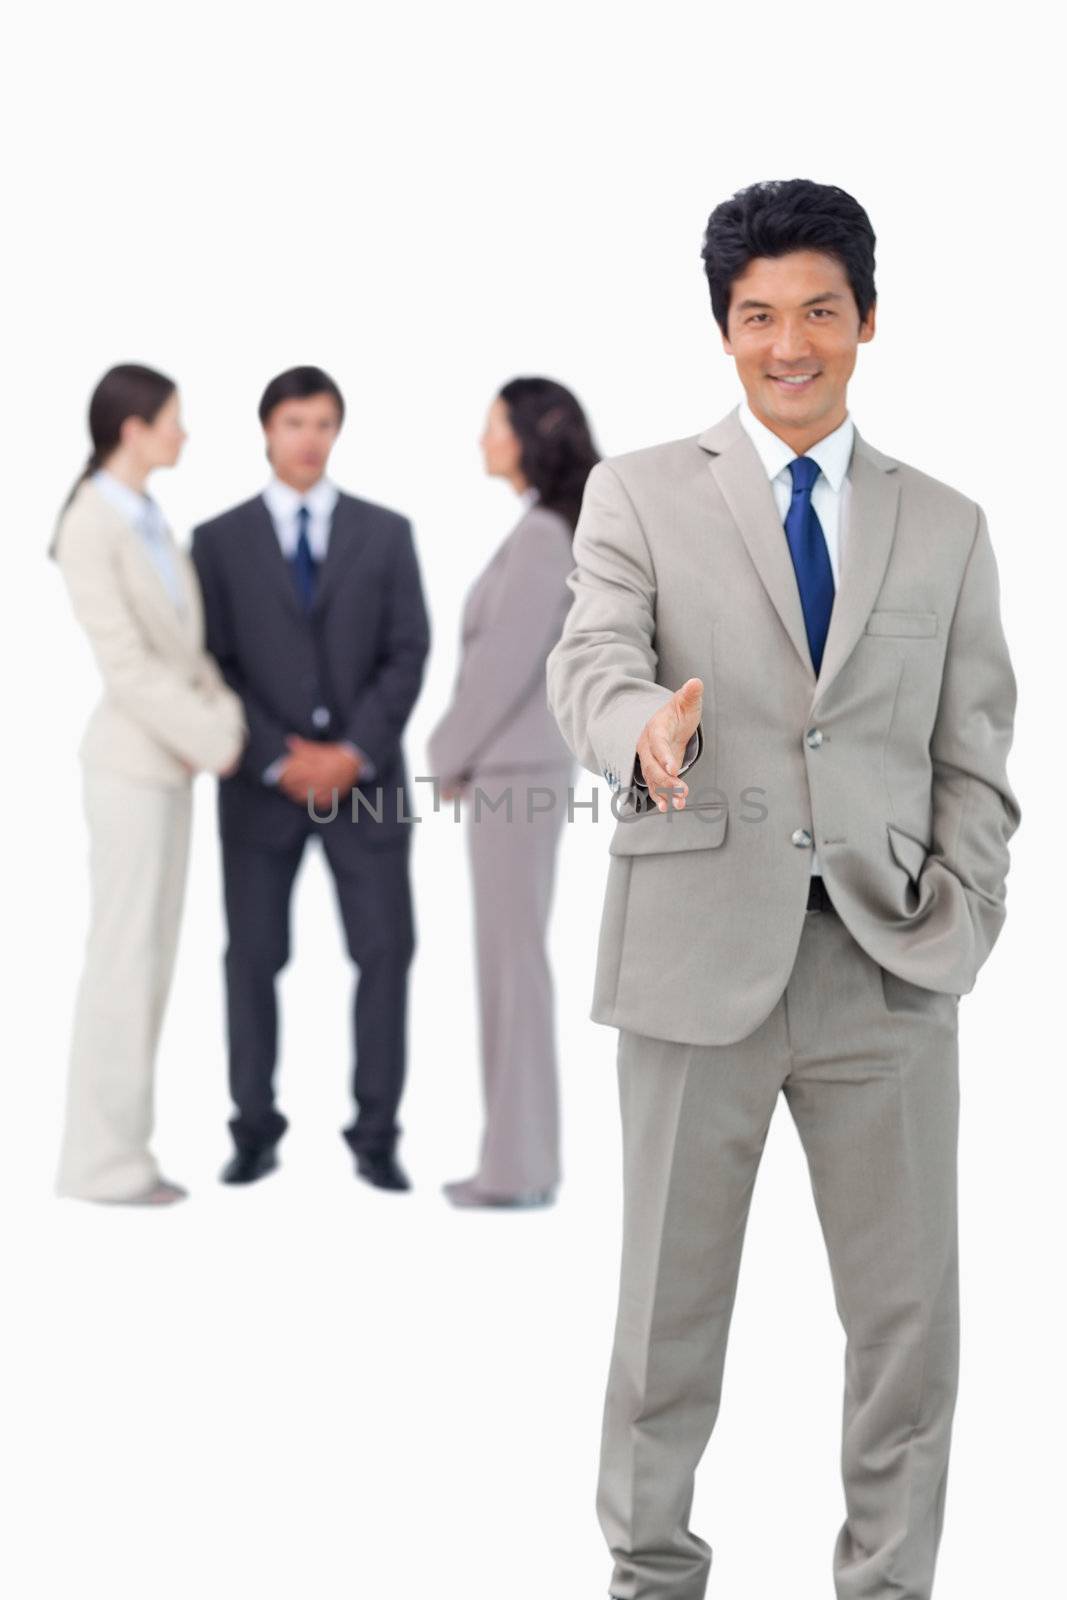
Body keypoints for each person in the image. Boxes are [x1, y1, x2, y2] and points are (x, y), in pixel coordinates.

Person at [547, 180, 1020, 1600]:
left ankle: (886, 1584)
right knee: (664, 1319)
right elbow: (587, 662)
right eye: (756, 317)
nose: (787, 342)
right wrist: (640, 727)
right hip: (696, 958)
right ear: (723, 333)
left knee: (905, 1327)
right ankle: (650, 1575)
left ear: (865, 321)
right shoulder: (634, 492)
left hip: (885, 966)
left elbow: (973, 750)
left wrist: (965, 910)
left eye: (818, 310)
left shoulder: (941, 523)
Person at [191, 366, 430, 1191]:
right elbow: (210, 663)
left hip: (366, 784)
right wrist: (276, 755)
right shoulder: (216, 541)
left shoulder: (387, 532)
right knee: (251, 958)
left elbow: (408, 652)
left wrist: (351, 754)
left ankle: (376, 1136)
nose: (309, 439)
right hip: (260, 789)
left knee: (385, 954)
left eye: (324, 423)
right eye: (294, 422)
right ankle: (252, 1129)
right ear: (266, 430)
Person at [52, 364, 247, 1206]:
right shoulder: (89, 524)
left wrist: (223, 715)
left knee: (152, 962)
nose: (183, 432)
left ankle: (124, 1152)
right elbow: (128, 669)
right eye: (172, 418)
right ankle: (101, 1163)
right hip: (133, 766)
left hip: (171, 765)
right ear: (131, 428)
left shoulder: (144, 516)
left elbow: (183, 649)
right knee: (123, 962)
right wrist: (218, 737)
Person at [428, 378, 596, 1208]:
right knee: (511, 963)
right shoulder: (548, 528)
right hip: (520, 769)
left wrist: (441, 754)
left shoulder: (538, 536)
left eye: (493, 426)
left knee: (511, 966)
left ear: (529, 436)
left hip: (515, 772)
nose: (482, 441)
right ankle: (518, 1159)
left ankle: (518, 1166)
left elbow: (501, 666)